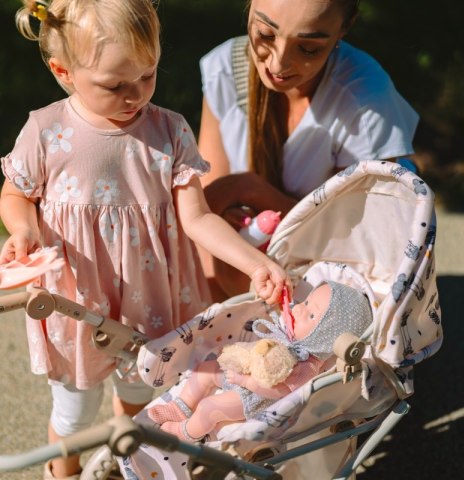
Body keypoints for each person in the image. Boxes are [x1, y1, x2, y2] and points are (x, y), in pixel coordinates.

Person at [0, 1, 289, 478]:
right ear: (63, 72)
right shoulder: (47, 131)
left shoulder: (168, 131)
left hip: (148, 296)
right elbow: (16, 193)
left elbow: (198, 217)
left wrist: (255, 263)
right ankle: (63, 472)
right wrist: (24, 228)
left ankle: (123, 464)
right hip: (76, 299)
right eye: (115, 85)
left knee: (138, 398)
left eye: (148, 75)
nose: (135, 94)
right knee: (73, 415)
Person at [197, 0, 420, 300]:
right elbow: (206, 203)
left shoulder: (365, 103)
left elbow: (360, 246)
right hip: (252, 262)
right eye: (265, 33)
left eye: (308, 48)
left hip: (331, 282)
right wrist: (230, 215)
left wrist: (250, 190)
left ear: (345, 27)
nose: (278, 64)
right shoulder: (226, 69)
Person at [146, 281, 372, 441]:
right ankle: (181, 406)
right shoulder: (286, 334)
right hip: (241, 373)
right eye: (306, 302)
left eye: (312, 315)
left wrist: (245, 382)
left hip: (251, 398)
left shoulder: (307, 366)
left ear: (325, 337)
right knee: (205, 370)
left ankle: (186, 432)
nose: (300, 309)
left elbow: (280, 392)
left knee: (209, 407)